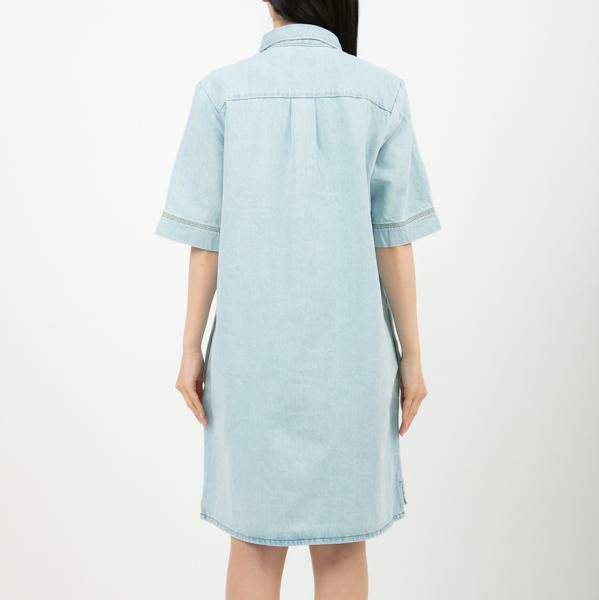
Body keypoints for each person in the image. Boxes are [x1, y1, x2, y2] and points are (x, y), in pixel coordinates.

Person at [154, 1, 441, 598]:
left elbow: (206, 241)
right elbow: (394, 241)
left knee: (254, 544)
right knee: (342, 546)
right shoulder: (381, 92)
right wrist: (412, 356)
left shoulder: (221, 93)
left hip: (249, 361)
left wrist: (189, 347)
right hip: (351, 364)